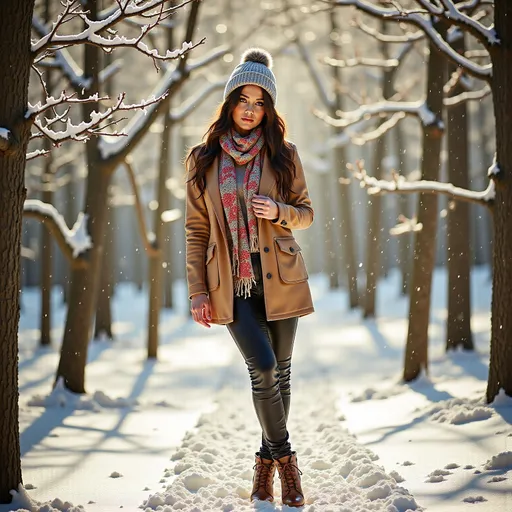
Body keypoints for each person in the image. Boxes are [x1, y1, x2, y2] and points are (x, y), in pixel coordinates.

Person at [184, 47, 314, 507]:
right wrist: (197, 290)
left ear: (269, 108)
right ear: (229, 101)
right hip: (232, 283)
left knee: (282, 373)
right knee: (262, 368)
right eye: (243, 98)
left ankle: (263, 469)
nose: (250, 109)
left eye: (260, 101)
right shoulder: (203, 159)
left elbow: (306, 214)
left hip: (280, 275)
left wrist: (279, 211)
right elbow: (196, 231)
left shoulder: (284, 155)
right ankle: (286, 464)